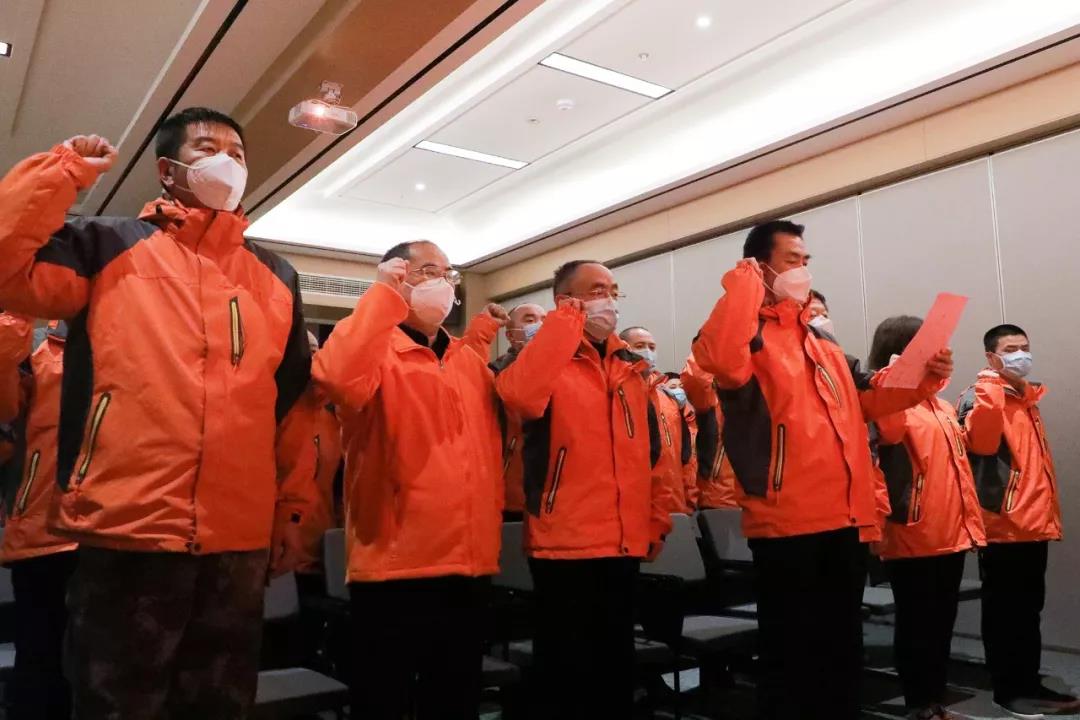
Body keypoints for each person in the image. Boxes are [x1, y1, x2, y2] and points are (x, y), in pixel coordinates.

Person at [0, 108, 313, 719]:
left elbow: (288, 399)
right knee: (118, 702)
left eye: (238, 153)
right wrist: (62, 171)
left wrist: (289, 510)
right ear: (168, 170)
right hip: (130, 524)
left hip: (236, 536)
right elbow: (8, 267)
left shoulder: (276, 275)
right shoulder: (106, 244)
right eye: (207, 147)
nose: (227, 161)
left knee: (220, 704)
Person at [692, 220, 954, 719]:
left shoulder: (821, 341)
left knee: (840, 647)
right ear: (759, 267)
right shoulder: (747, 336)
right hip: (786, 517)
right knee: (792, 654)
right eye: (792, 260)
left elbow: (869, 398)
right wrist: (743, 285)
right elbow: (720, 358)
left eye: (806, 260)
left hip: (844, 515)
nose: (804, 270)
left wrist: (924, 377)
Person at [312, 240, 507, 719]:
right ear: (398, 277)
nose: (443, 283)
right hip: (395, 563)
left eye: (448, 274)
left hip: (468, 560)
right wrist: (380, 297)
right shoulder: (375, 350)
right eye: (427, 271)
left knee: (455, 699)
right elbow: (334, 377)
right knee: (386, 700)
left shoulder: (466, 361)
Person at [495, 260, 671, 719]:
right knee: (565, 669)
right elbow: (520, 397)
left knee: (616, 663)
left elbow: (649, 454)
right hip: (564, 539)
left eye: (613, 290)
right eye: (596, 290)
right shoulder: (542, 359)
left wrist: (655, 516)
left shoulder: (630, 367)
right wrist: (563, 326)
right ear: (565, 301)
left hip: (622, 537)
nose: (608, 300)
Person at [958, 324, 1079, 717]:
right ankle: (1009, 690)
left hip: (1032, 523)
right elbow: (982, 444)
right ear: (991, 357)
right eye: (1010, 349)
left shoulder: (1025, 398)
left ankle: (1028, 682)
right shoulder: (981, 397)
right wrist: (989, 386)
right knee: (1006, 613)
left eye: (1024, 347)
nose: (1020, 355)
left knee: (1027, 611)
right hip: (1003, 526)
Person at [869, 316, 986, 720]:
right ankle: (920, 705)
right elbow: (888, 432)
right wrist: (897, 380)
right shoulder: (889, 404)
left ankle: (934, 701)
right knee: (918, 625)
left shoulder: (940, 405)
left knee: (940, 624)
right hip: (913, 532)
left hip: (951, 531)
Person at [0, 314, 78, 720]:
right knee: (41, 669)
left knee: (107, 676)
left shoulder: (132, 334)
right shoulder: (31, 342)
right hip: (44, 531)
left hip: (118, 531)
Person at [283, 331, 343, 593]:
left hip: (323, 552)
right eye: (306, 350)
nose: (313, 357)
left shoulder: (333, 420)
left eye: (317, 350)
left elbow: (340, 489)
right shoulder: (274, 414)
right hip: (279, 553)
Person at [620, 326, 696, 513]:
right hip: (637, 508)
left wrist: (689, 500)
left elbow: (685, 456)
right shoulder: (617, 396)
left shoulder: (669, 400)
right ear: (624, 349)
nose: (647, 352)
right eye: (640, 346)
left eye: (652, 347)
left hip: (675, 506)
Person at [491, 303, 547, 518]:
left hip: (560, 496)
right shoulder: (494, 374)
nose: (539, 325)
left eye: (544, 320)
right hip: (512, 494)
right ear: (511, 335)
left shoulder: (567, 371)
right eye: (530, 320)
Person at [681, 350, 739, 509]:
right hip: (722, 497)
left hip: (765, 500)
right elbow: (695, 380)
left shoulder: (762, 395)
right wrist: (714, 342)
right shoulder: (712, 400)